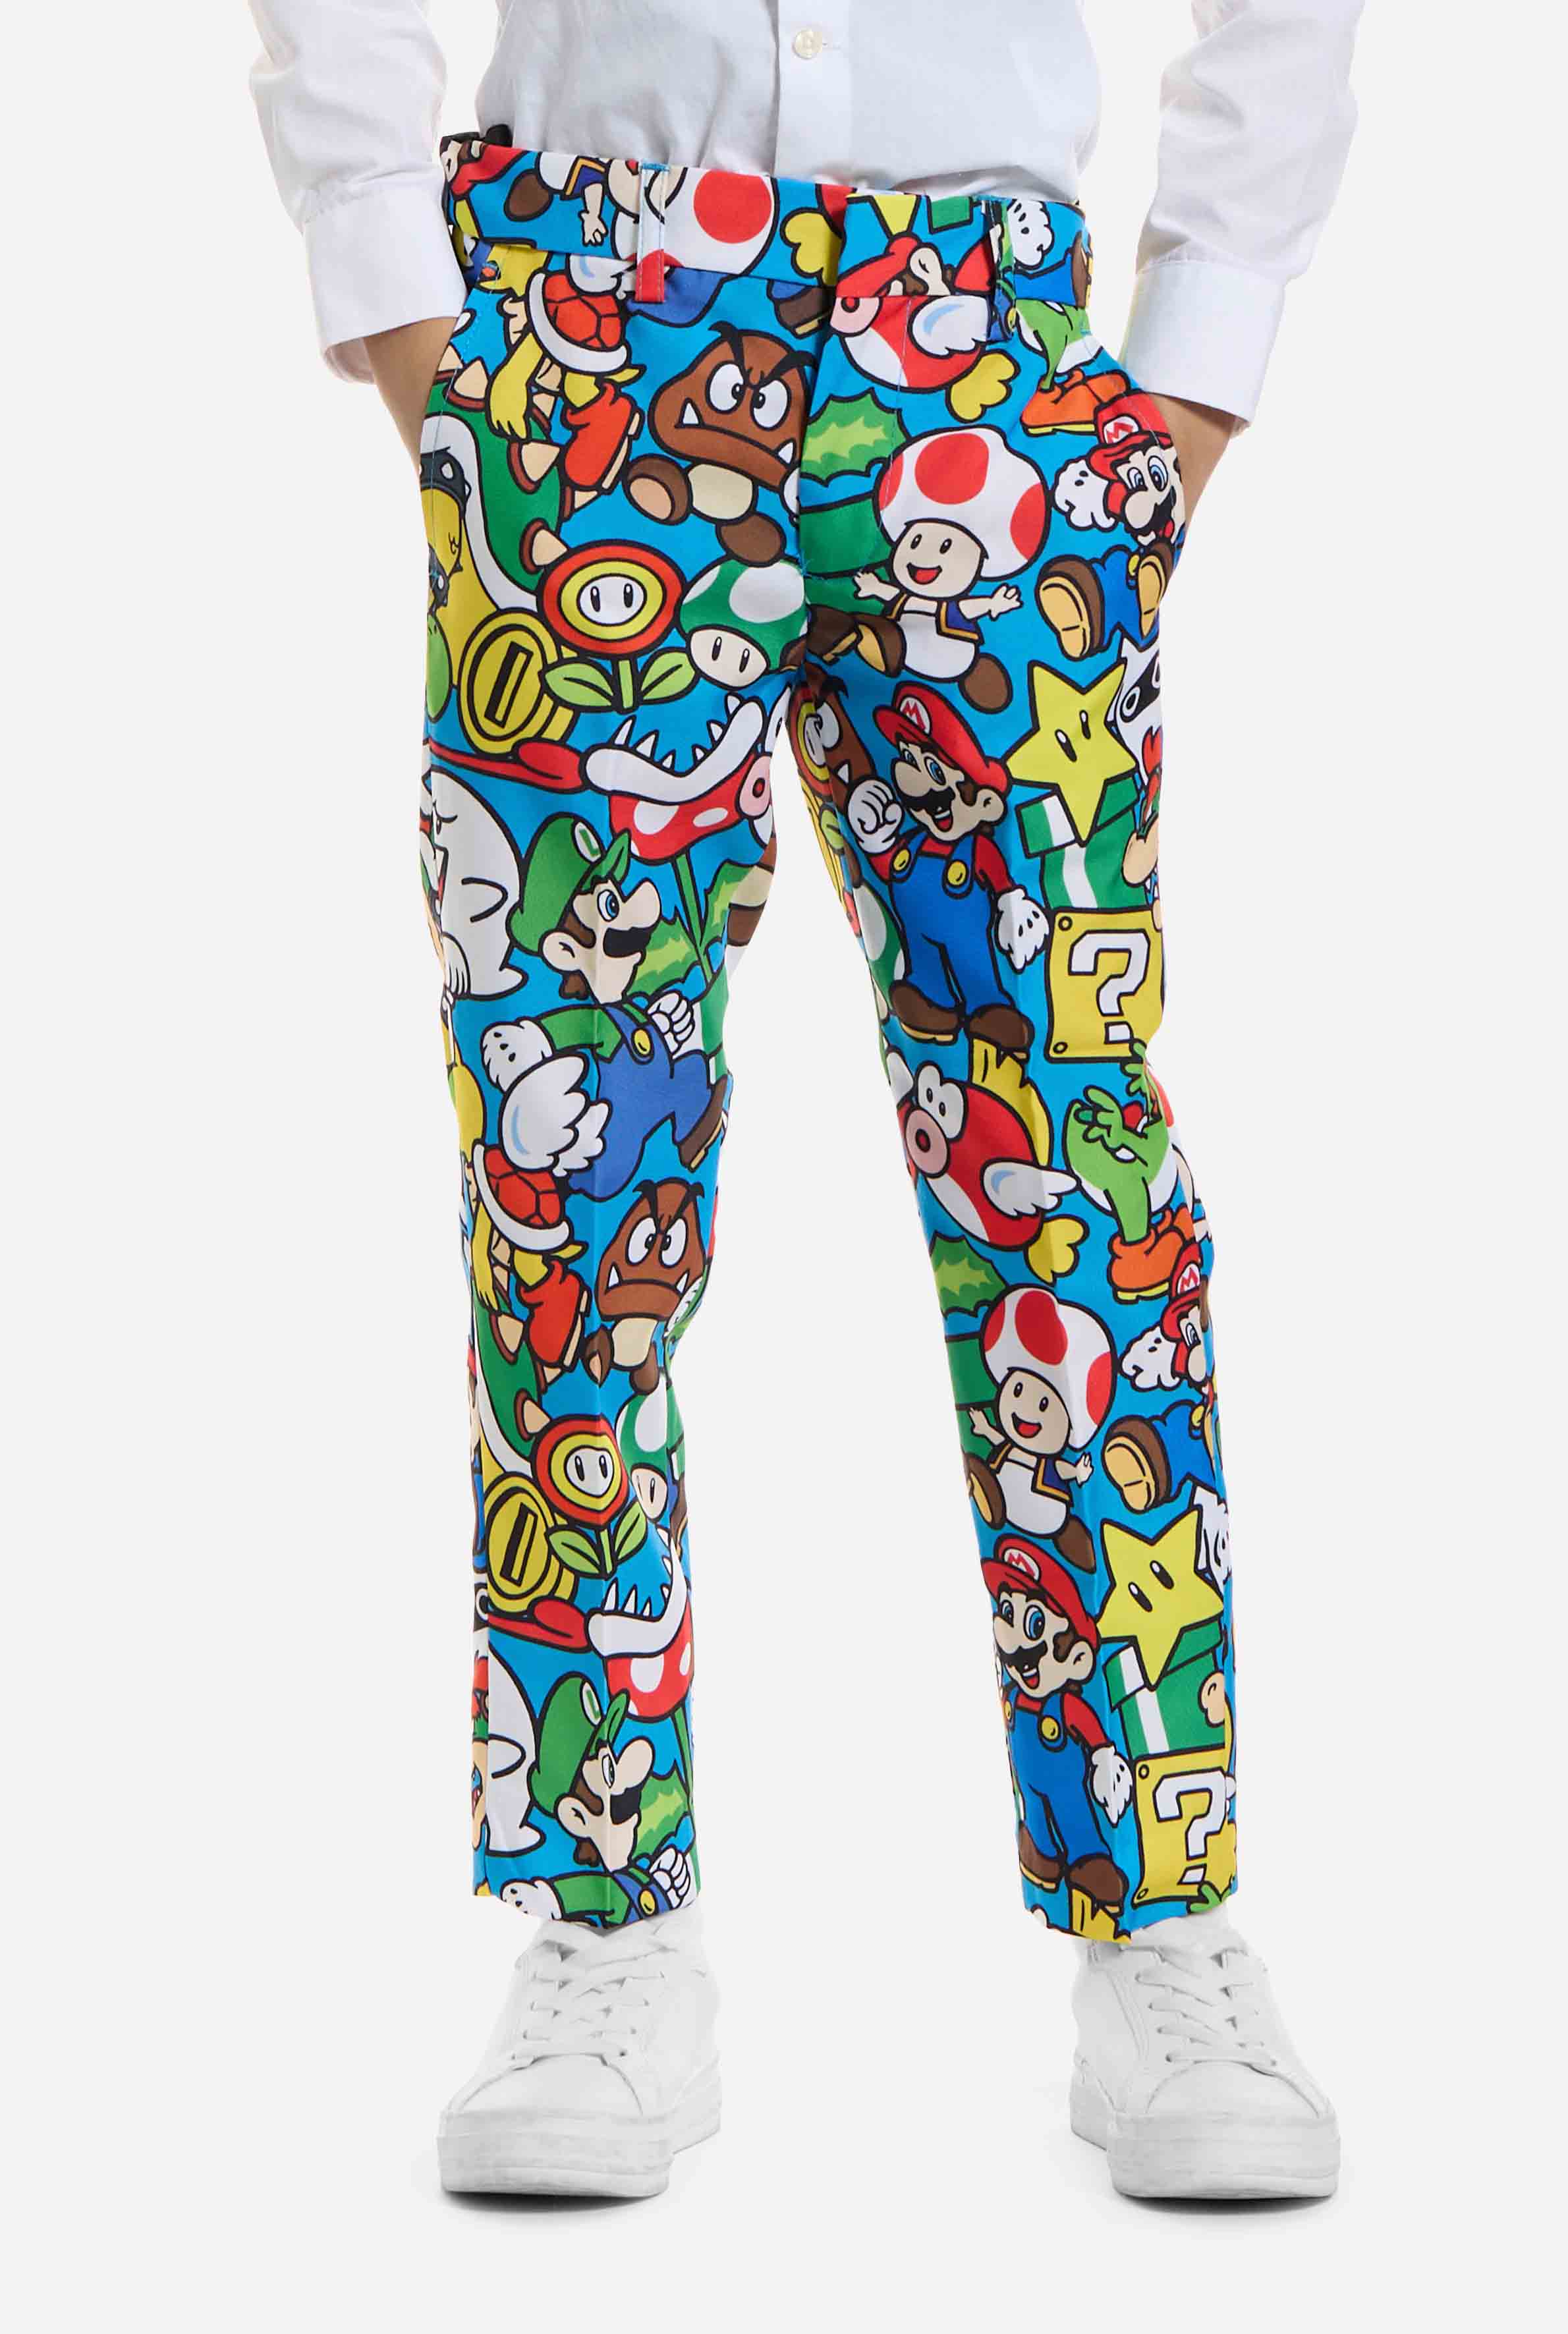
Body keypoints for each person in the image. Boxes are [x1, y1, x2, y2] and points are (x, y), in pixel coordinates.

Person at [248, 0, 1362, 2204]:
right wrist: (394, 284)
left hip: (993, 356)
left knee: (1068, 1161)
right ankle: (601, 1926)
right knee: (571, 1164)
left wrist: (1200, 342)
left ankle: (1159, 1916)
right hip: (585, 321)